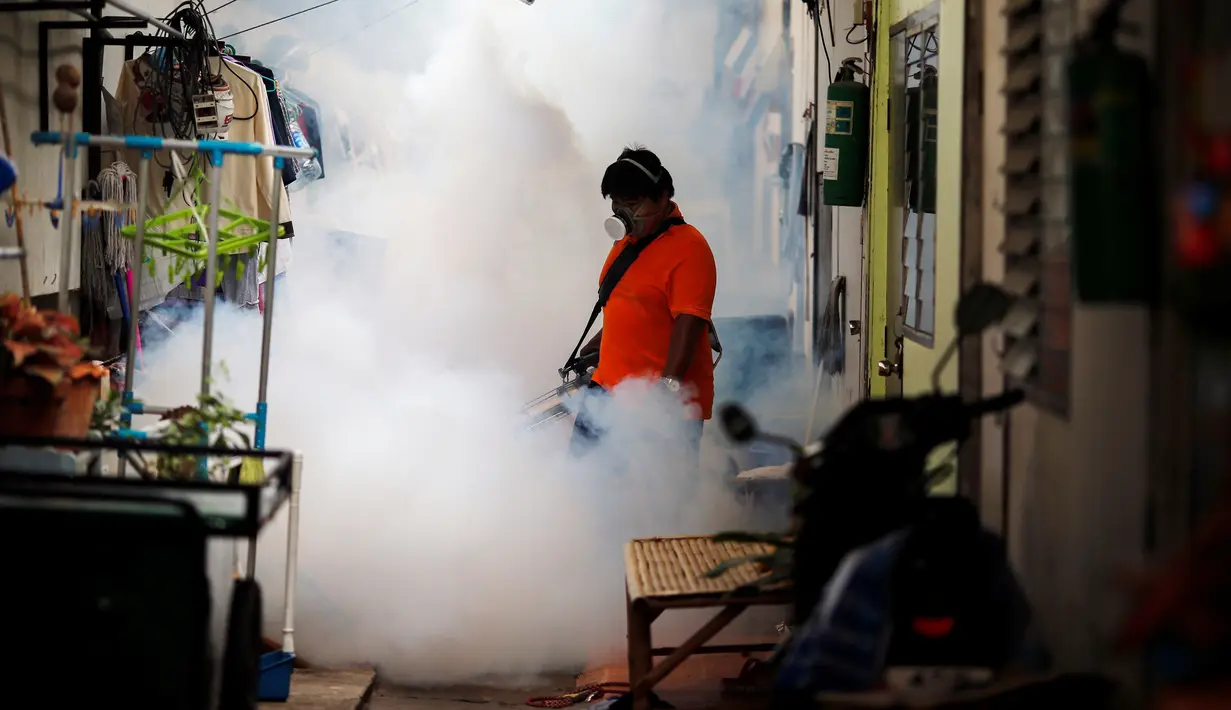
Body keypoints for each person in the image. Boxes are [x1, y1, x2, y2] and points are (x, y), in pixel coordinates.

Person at [569, 146, 718, 459]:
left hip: (659, 408)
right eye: (617, 204)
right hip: (607, 393)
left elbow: (690, 323)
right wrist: (598, 346)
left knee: (654, 502)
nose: (623, 213)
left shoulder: (689, 248)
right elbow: (628, 307)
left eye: (633, 203)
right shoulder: (626, 244)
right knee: (583, 491)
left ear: (662, 198)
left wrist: (665, 391)